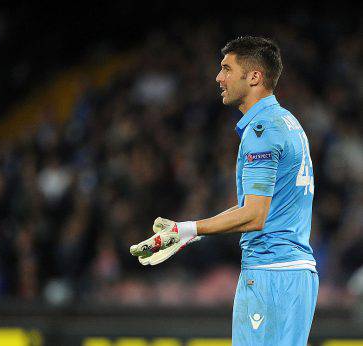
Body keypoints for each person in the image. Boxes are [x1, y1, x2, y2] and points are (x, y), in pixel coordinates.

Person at [130, 36, 318, 345]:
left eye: (226, 68)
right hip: (292, 274)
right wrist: (190, 232)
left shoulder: (262, 131)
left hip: (270, 273)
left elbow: (255, 216)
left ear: (254, 76)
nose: (219, 77)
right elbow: (256, 208)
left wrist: (188, 229)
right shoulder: (286, 122)